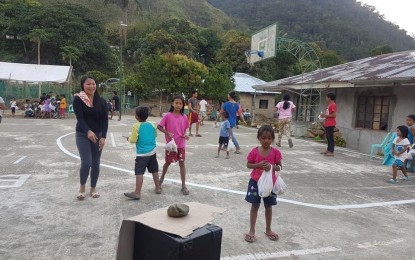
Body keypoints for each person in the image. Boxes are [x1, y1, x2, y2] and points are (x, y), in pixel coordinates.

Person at [244, 125, 282, 243]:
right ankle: (251, 230)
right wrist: (258, 165)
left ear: (272, 139)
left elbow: (280, 166)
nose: (266, 141)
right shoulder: (254, 151)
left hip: (269, 184)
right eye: (264, 138)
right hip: (255, 182)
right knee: (254, 206)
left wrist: (271, 167)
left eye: (269, 138)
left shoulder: (275, 152)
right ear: (259, 138)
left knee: (268, 207)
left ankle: (268, 229)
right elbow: (248, 164)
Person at [73, 75, 109, 200]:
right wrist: (88, 131)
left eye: (93, 84)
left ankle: (93, 188)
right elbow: (80, 118)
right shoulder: (78, 99)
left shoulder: (102, 101)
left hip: (98, 135)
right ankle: (82, 187)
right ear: (83, 85)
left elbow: (105, 120)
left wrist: (103, 137)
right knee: (86, 162)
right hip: (83, 134)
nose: (91, 86)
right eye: (88, 84)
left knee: (96, 163)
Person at [124, 106, 161, 200]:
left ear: (137, 116)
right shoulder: (152, 124)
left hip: (142, 154)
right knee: (154, 170)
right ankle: (158, 188)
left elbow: (133, 140)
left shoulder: (136, 126)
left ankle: (137, 193)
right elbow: (155, 135)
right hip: (152, 152)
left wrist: (128, 138)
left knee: (139, 172)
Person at [157, 95, 190, 195]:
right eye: (176, 103)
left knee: (182, 163)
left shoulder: (184, 117)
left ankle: (183, 185)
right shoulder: (167, 115)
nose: (178, 105)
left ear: (183, 105)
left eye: (180, 103)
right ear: (172, 103)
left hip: (181, 145)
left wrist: (186, 135)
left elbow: (186, 129)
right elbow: (159, 126)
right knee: (167, 163)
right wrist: (167, 132)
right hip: (171, 146)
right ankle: (160, 180)